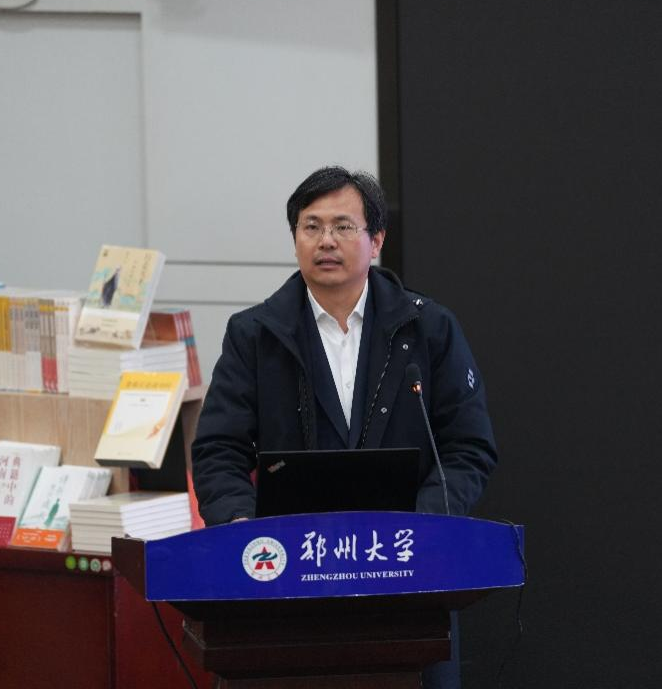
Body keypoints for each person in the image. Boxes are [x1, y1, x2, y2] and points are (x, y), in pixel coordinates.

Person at [191, 166, 497, 688]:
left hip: (405, 579)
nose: (326, 241)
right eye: (311, 227)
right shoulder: (255, 334)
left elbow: (468, 447)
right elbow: (218, 448)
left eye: (343, 226)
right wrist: (242, 527)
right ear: (295, 239)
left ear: (376, 240)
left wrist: (423, 527)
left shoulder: (429, 328)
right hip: (287, 581)